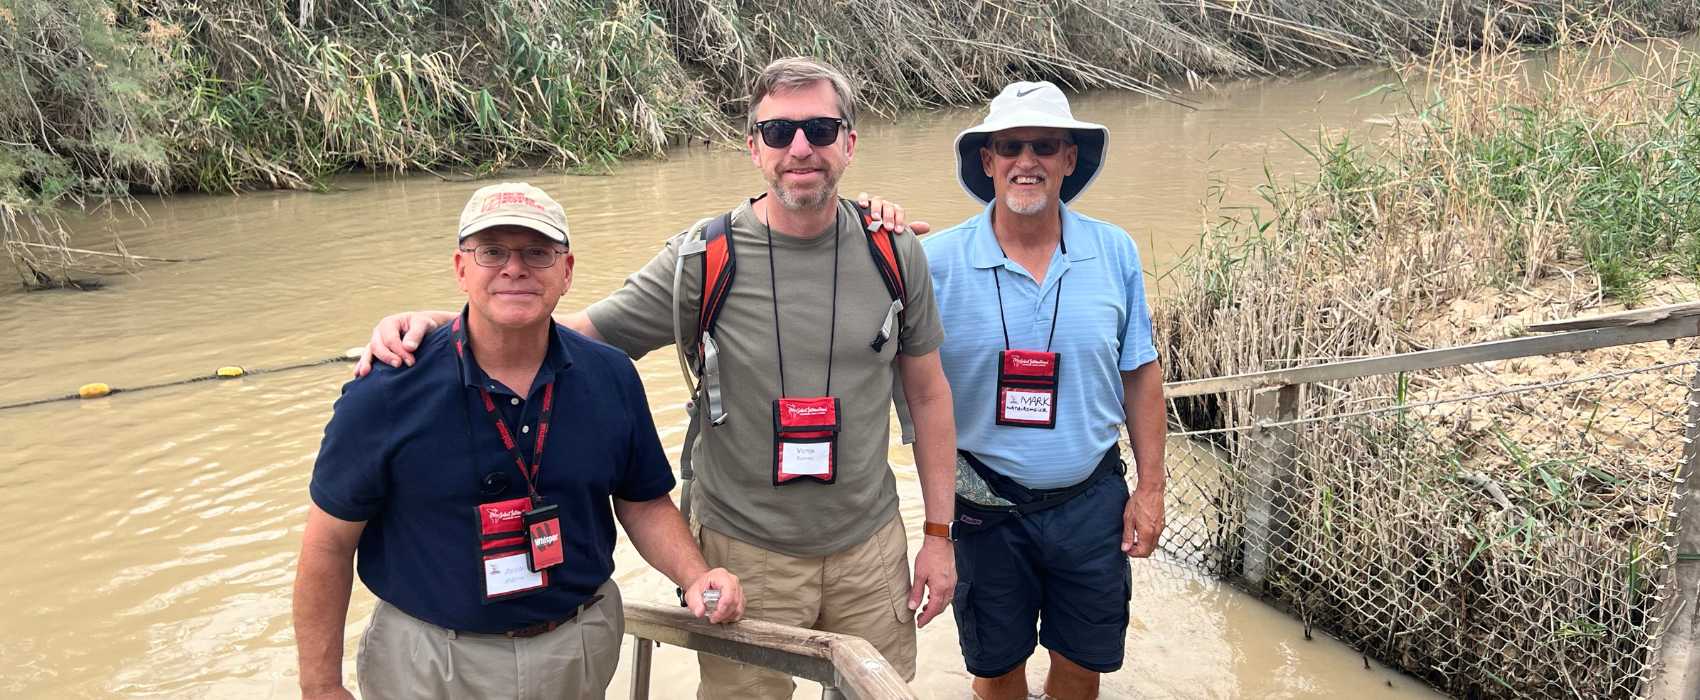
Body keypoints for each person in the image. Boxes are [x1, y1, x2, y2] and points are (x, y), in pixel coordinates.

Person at [355, 58, 959, 699]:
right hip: (742, 552)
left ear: (850, 142)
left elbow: (928, 395)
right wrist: (444, 324)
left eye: (820, 128)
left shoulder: (894, 251)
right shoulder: (700, 260)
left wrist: (939, 537)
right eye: (779, 132)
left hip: (871, 547)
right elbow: (563, 331)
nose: (801, 148)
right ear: (753, 146)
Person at [293, 182, 743, 700]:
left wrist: (695, 576)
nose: (515, 268)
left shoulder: (611, 376)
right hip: (430, 661)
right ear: (461, 268)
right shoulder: (387, 387)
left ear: (566, 271)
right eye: (492, 252)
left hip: (574, 647)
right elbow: (328, 542)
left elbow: (641, 502)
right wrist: (321, 685)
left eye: (537, 252)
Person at [922, 82, 1167, 700]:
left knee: (1083, 666)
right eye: (1009, 146)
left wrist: (1153, 490)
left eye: (1044, 146)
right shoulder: (934, 260)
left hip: (1092, 501)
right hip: (985, 504)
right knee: (997, 670)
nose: (1025, 161)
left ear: (1068, 159)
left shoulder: (1113, 250)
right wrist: (865, 227)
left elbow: (1140, 373)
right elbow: (880, 367)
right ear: (987, 160)